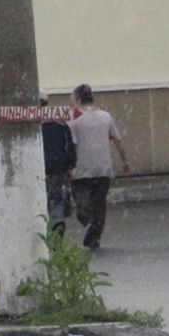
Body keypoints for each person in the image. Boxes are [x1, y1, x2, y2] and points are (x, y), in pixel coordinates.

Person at [68, 84, 131, 248]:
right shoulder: (106, 116)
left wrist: (68, 166)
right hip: (103, 167)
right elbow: (117, 139)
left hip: (81, 168)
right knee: (100, 203)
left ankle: (89, 224)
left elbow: (72, 145)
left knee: (82, 203)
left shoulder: (74, 119)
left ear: (79, 99)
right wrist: (125, 161)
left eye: (73, 99)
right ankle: (95, 235)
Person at [40, 97, 77, 237]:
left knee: (38, 199)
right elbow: (70, 147)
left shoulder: (30, 126)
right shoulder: (60, 124)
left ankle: (45, 227)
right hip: (57, 167)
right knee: (56, 197)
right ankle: (58, 219)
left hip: (39, 167)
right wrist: (69, 166)